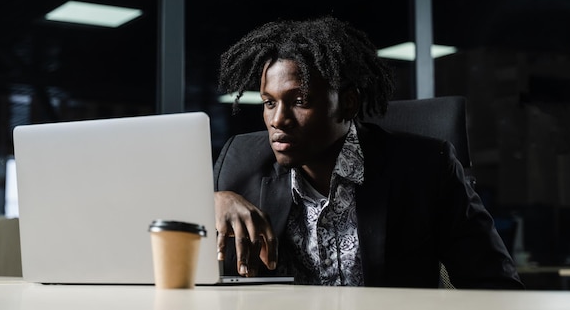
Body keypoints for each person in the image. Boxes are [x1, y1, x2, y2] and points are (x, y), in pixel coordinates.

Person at [213, 16, 523, 289]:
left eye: (300, 100)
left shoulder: (427, 169)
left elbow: (494, 285)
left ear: (348, 103)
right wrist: (209, 202)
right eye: (269, 102)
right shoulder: (241, 163)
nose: (278, 119)